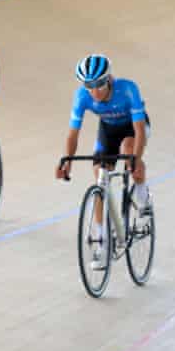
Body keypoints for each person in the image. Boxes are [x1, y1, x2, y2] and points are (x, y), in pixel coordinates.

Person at [55, 54, 151, 268]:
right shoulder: (82, 96)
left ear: (109, 79)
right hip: (108, 131)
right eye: (89, 85)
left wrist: (135, 159)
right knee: (100, 177)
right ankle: (102, 242)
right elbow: (73, 134)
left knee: (129, 150)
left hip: (134, 128)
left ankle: (142, 196)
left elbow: (139, 130)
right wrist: (67, 161)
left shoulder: (127, 89)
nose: (94, 91)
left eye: (98, 84)